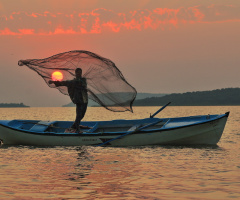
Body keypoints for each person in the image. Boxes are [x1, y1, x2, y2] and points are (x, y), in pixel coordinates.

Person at [49, 68, 88, 133]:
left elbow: (83, 84)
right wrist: (53, 82)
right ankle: (77, 129)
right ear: (75, 73)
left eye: (80, 72)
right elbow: (64, 83)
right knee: (78, 114)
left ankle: (74, 126)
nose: (79, 74)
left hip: (84, 99)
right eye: (77, 73)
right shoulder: (73, 82)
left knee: (82, 115)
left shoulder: (83, 80)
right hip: (78, 100)